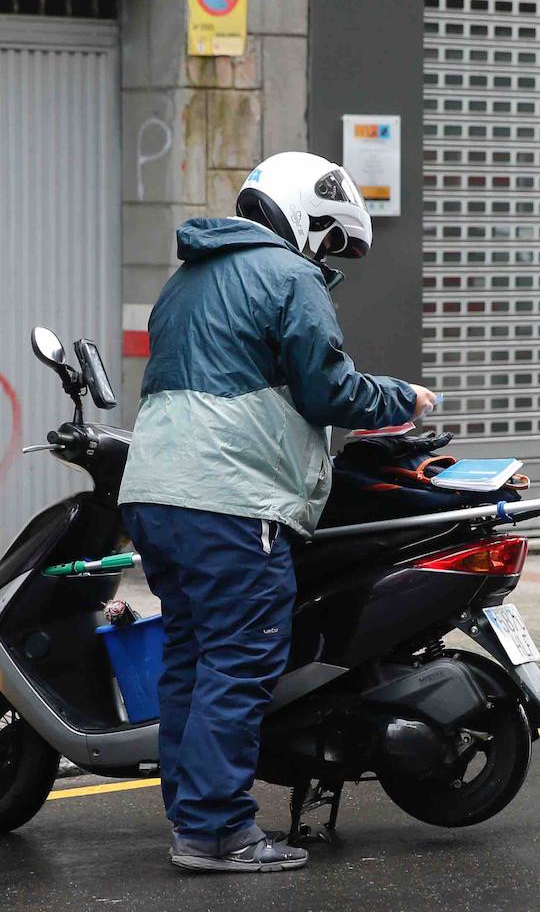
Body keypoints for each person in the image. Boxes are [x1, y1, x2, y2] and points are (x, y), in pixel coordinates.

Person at [117, 151, 436, 873]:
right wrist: (400, 397)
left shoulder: (185, 280)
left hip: (154, 493)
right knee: (240, 660)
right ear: (302, 213)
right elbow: (327, 391)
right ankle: (218, 832)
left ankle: (192, 817)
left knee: (193, 660)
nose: (325, 256)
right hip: (232, 501)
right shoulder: (288, 275)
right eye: (327, 238)